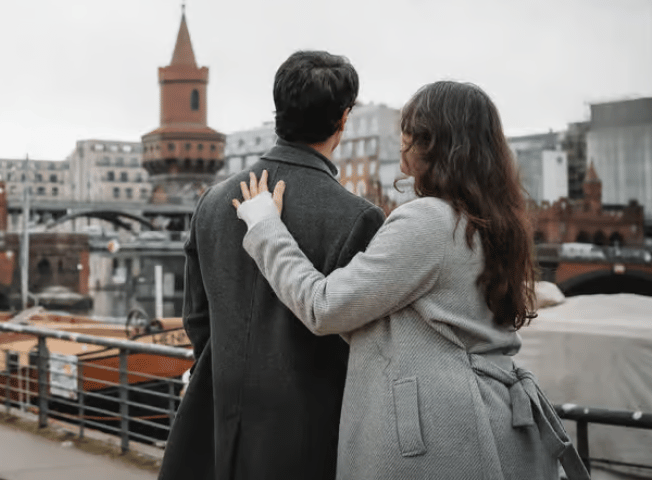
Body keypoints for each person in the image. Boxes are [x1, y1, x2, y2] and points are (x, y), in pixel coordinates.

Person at [233, 81, 589, 480]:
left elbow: (324, 306)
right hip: (490, 423)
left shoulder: (428, 221)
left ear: (431, 141)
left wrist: (265, 227)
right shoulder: (492, 221)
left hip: (438, 438)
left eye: (407, 128)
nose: (400, 140)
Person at [158, 51, 385, 480]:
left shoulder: (213, 202)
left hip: (220, 428)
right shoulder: (358, 218)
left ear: (279, 110)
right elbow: (363, 345)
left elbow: (197, 320)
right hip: (310, 439)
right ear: (343, 120)